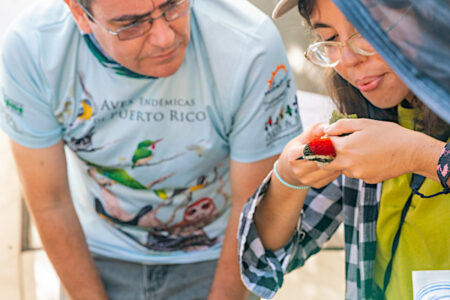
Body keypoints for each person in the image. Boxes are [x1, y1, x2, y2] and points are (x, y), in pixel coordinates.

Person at [0, 0, 303, 299]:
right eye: (131, 24)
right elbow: (50, 201)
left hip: (217, 253)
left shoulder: (249, 43)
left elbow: (250, 205)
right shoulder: (32, 47)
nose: (165, 37)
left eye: (173, 6)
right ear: (79, 13)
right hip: (95, 252)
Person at [238, 0, 450, 299]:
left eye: (366, 29)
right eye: (329, 39)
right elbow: (267, 257)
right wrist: (288, 177)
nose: (348, 59)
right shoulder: (358, 124)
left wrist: (420, 156)